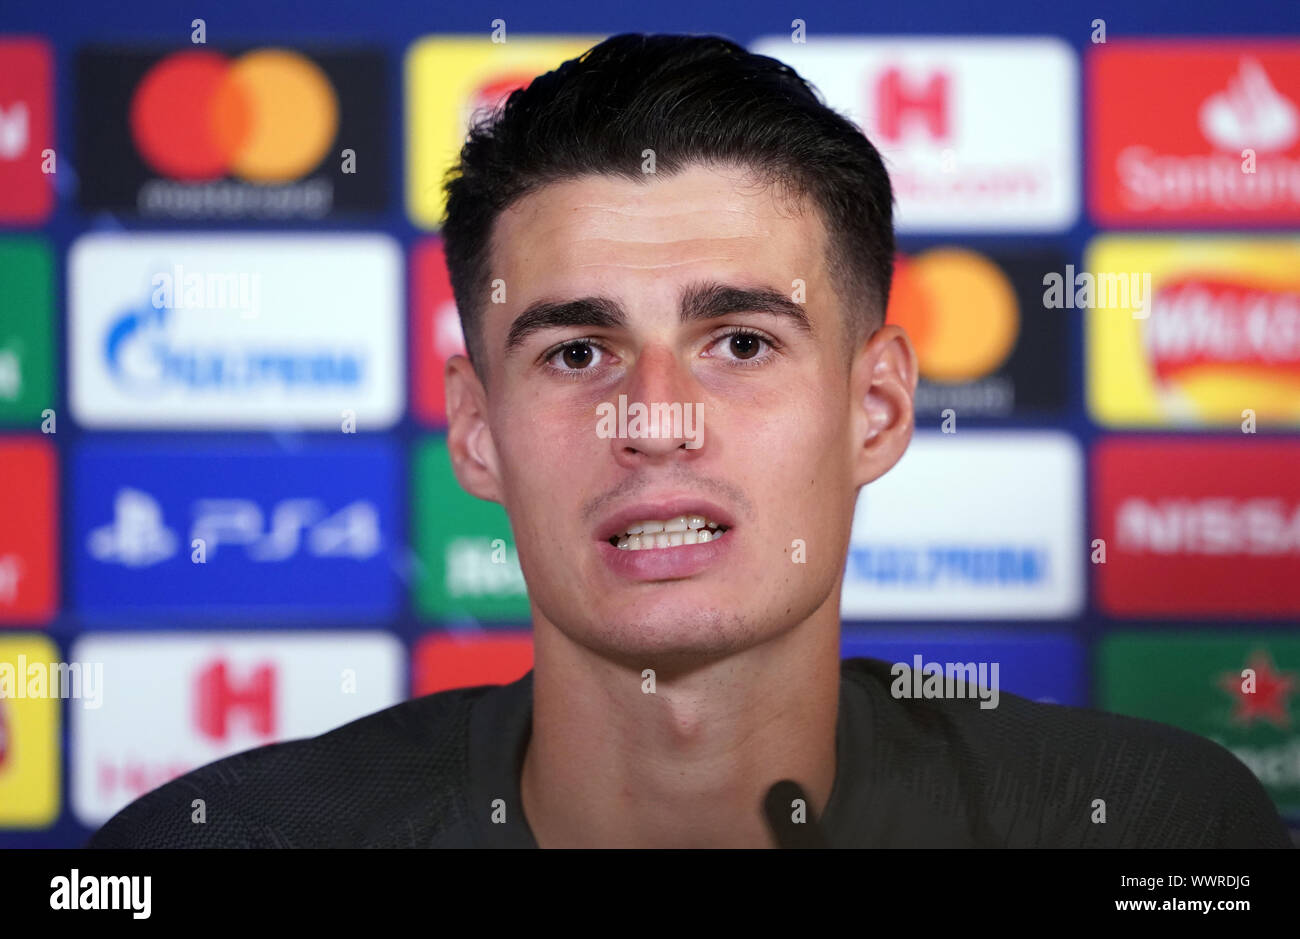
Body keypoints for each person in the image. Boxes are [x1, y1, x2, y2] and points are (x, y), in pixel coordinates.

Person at [89, 33, 1292, 848]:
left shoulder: (1143, 828)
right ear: (476, 433)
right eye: (576, 353)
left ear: (875, 410)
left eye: (740, 344)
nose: (654, 420)